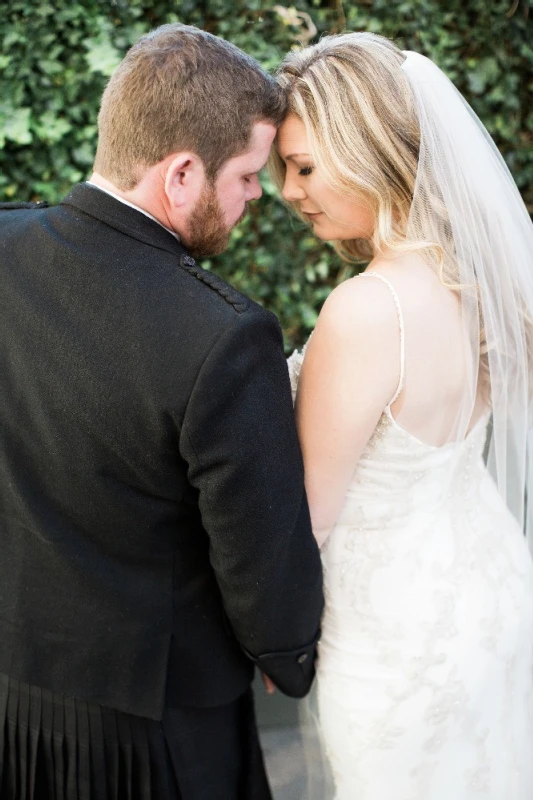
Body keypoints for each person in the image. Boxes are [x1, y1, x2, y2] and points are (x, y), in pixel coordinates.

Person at [0, 23, 323, 800]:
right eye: (247, 175)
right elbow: (258, 555)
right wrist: (290, 657)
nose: (258, 196)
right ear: (182, 173)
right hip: (158, 731)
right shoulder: (224, 334)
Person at [271, 31, 533, 799]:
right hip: (491, 592)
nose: (289, 191)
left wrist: (269, 640)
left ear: (369, 150)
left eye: (305, 166)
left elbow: (307, 519)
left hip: (397, 644)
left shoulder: (365, 309)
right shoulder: (477, 282)